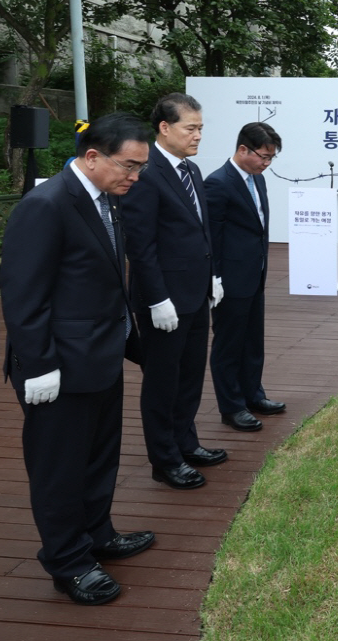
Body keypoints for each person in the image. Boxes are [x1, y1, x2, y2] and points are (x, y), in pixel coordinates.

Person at [0, 112, 155, 606]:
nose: (134, 177)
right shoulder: (46, 204)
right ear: (92, 157)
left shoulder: (106, 200)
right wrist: (38, 363)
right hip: (58, 367)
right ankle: (68, 562)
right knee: (59, 468)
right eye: (128, 166)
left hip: (100, 358)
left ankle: (97, 534)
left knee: (99, 457)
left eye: (140, 168)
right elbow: (23, 295)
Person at [123, 94, 226, 490]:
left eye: (200, 128)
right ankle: (164, 459)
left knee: (189, 376)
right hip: (164, 299)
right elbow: (141, 244)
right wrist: (156, 298)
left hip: (196, 293)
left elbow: (202, 231)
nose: (198, 135)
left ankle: (186, 442)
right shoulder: (146, 175)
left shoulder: (192, 170)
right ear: (164, 128)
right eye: (191, 128)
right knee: (163, 381)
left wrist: (213, 274)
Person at [205, 121, 288, 432]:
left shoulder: (257, 180)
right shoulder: (218, 183)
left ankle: (254, 394)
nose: (266, 163)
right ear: (243, 149)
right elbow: (211, 237)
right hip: (229, 280)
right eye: (263, 156)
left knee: (253, 341)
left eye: (271, 158)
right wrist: (214, 278)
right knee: (229, 344)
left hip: (255, 275)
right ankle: (232, 406)